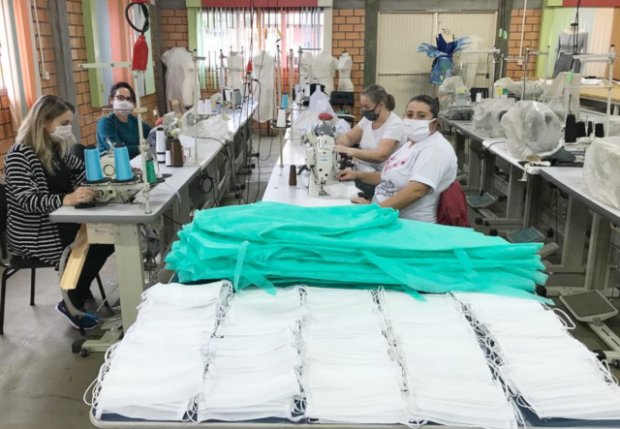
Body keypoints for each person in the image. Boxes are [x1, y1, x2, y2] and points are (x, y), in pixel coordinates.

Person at [5, 95, 114, 330]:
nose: (67, 128)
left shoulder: (56, 150)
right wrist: (67, 198)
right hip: (34, 231)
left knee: (107, 235)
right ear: (44, 121)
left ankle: (77, 289)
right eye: (63, 123)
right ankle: (71, 302)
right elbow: (27, 200)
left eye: (69, 123)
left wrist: (95, 183)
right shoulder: (19, 155)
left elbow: (81, 172)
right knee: (99, 242)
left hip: (60, 221)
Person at [339, 95, 457, 223]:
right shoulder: (411, 144)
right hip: (384, 213)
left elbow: (416, 191)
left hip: (408, 224)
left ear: (434, 123)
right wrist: (356, 175)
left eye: (421, 116)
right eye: (410, 115)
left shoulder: (435, 148)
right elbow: (389, 177)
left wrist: (373, 211)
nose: (414, 120)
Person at [336, 84, 403, 197]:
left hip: (380, 181)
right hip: (363, 172)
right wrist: (341, 144)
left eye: (366, 107)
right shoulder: (367, 120)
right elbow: (349, 138)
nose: (363, 110)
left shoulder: (395, 125)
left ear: (380, 105)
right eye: (362, 106)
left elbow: (380, 156)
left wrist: (347, 150)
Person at [96, 81, 151, 159]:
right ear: (111, 99)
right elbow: (116, 149)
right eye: (120, 98)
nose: (125, 102)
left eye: (128, 99)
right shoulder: (105, 123)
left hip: (135, 161)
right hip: (113, 164)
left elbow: (151, 133)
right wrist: (140, 148)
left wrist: (160, 129)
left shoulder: (132, 119)